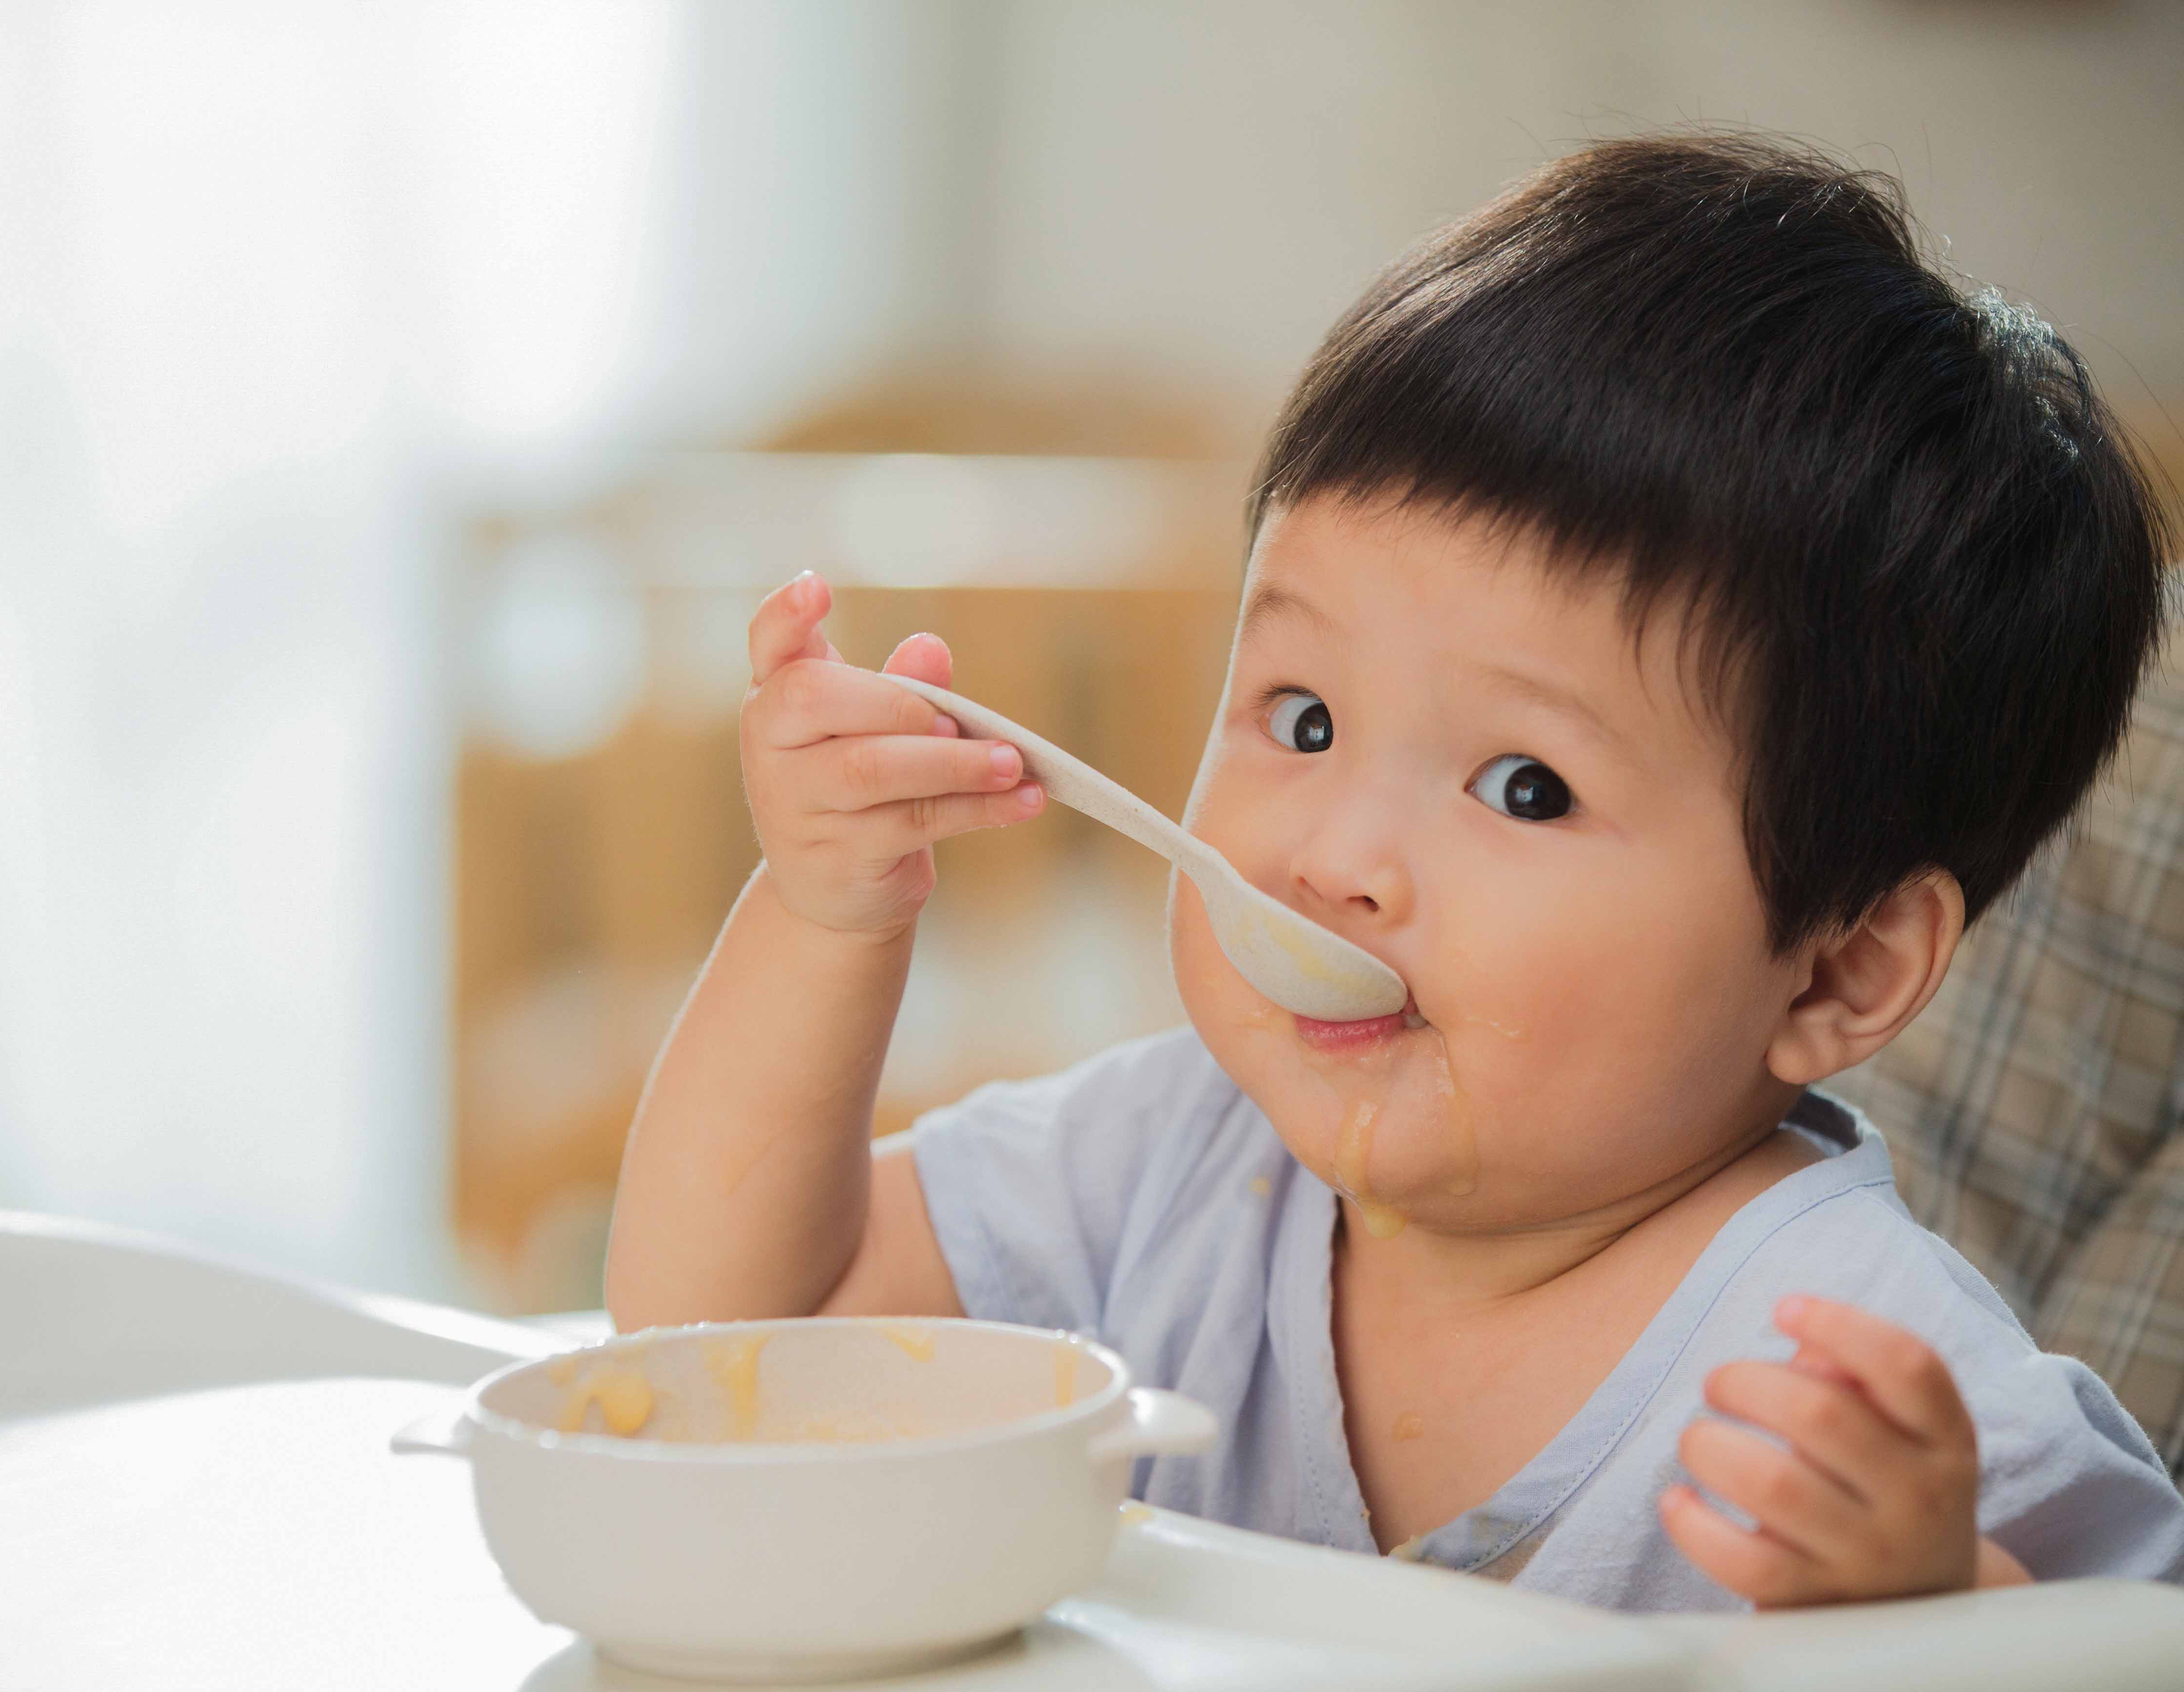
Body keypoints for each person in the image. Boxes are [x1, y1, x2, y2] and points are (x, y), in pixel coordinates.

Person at [603, 133, 2184, 1611]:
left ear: (1840, 968)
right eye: (1302, 718)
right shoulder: (1173, 1164)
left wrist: (1937, 1607)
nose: (1337, 856)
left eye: (1526, 785)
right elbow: (727, 1339)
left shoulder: (1857, 1375)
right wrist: (823, 921)